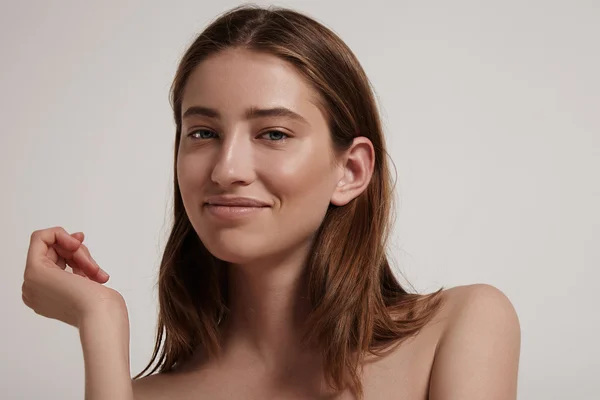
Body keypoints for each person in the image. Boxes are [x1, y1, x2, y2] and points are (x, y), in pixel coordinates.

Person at [21, 5, 521, 400]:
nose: (226, 169)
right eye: (203, 132)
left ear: (351, 171)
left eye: (274, 133)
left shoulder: (460, 329)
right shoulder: (131, 395)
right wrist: (101, 322)